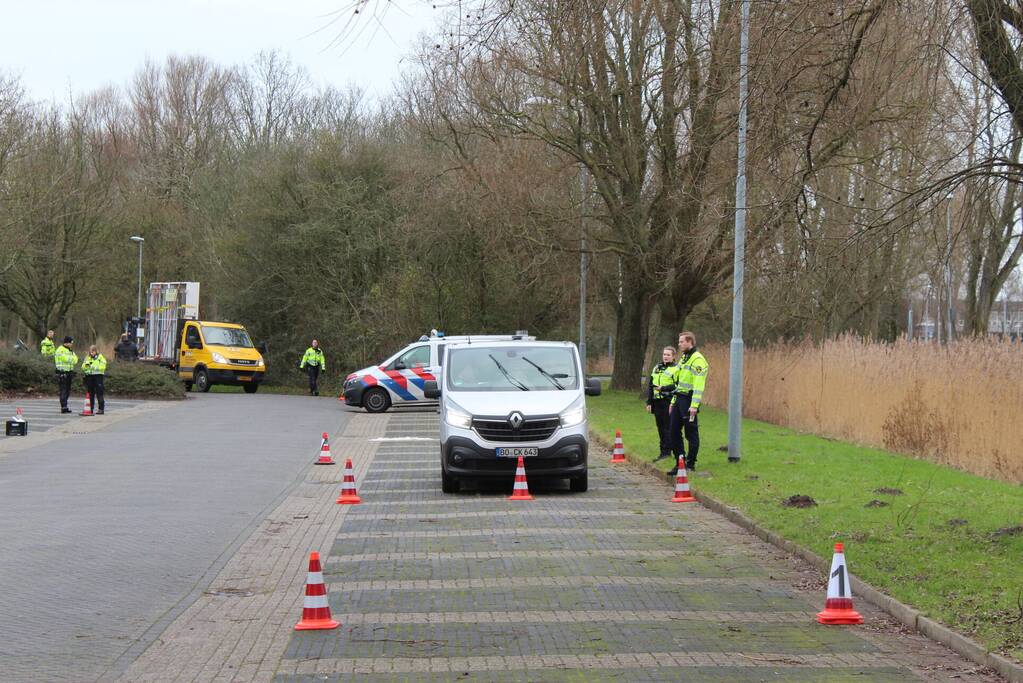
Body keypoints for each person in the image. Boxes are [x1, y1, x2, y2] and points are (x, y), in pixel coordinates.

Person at [668, 331, 709, 473]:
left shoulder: (698, 360)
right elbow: (679, 381)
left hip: (689, 401)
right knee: (673, 431)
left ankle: (690, 464)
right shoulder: (685, 358)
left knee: (691, 433)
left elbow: (698, 386)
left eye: (681, 342)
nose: (679, 345)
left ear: (690, 342)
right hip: (679, 399)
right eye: (679, 342)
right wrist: (673, 401)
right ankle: (680, 461)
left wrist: (694, 406)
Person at [647, 346, 677, 462]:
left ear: (673, 356)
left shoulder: (676, 369)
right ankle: (663, 452)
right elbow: (651, 385)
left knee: (667, 427)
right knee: (660, 427)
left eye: (668, 355)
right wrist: (649, 402)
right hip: (657, 402)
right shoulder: (656, 368)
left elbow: (677, 386)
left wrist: (663, 388)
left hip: (668, 401)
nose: (665, 356)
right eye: (664, 354)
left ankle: (667, 452)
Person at [53, 336, 78, 414]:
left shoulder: (70, 350)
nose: (72, 344)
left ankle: (65, 406)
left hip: (69, 372)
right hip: (62, 372)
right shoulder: (60, 350)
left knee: (67, 390)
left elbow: (76, 360)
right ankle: (63, 406)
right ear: (67, 342)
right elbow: (66, 359)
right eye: (71, 343)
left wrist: (72, 359)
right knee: (63, 390)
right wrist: (72, 359)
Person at [81, 345, 107, 415]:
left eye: (92, 352)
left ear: (96, 351)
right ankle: (90, 409)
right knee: (90, 394)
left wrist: (92, 366)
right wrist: (88, 366)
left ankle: (101, 409)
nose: (91, 353)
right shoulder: (87, 358)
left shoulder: (101, 358)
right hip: (90, 377)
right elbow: (83, 367)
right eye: (90, 352)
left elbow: (102, 367)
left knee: (99, 393)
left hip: (98, 377)